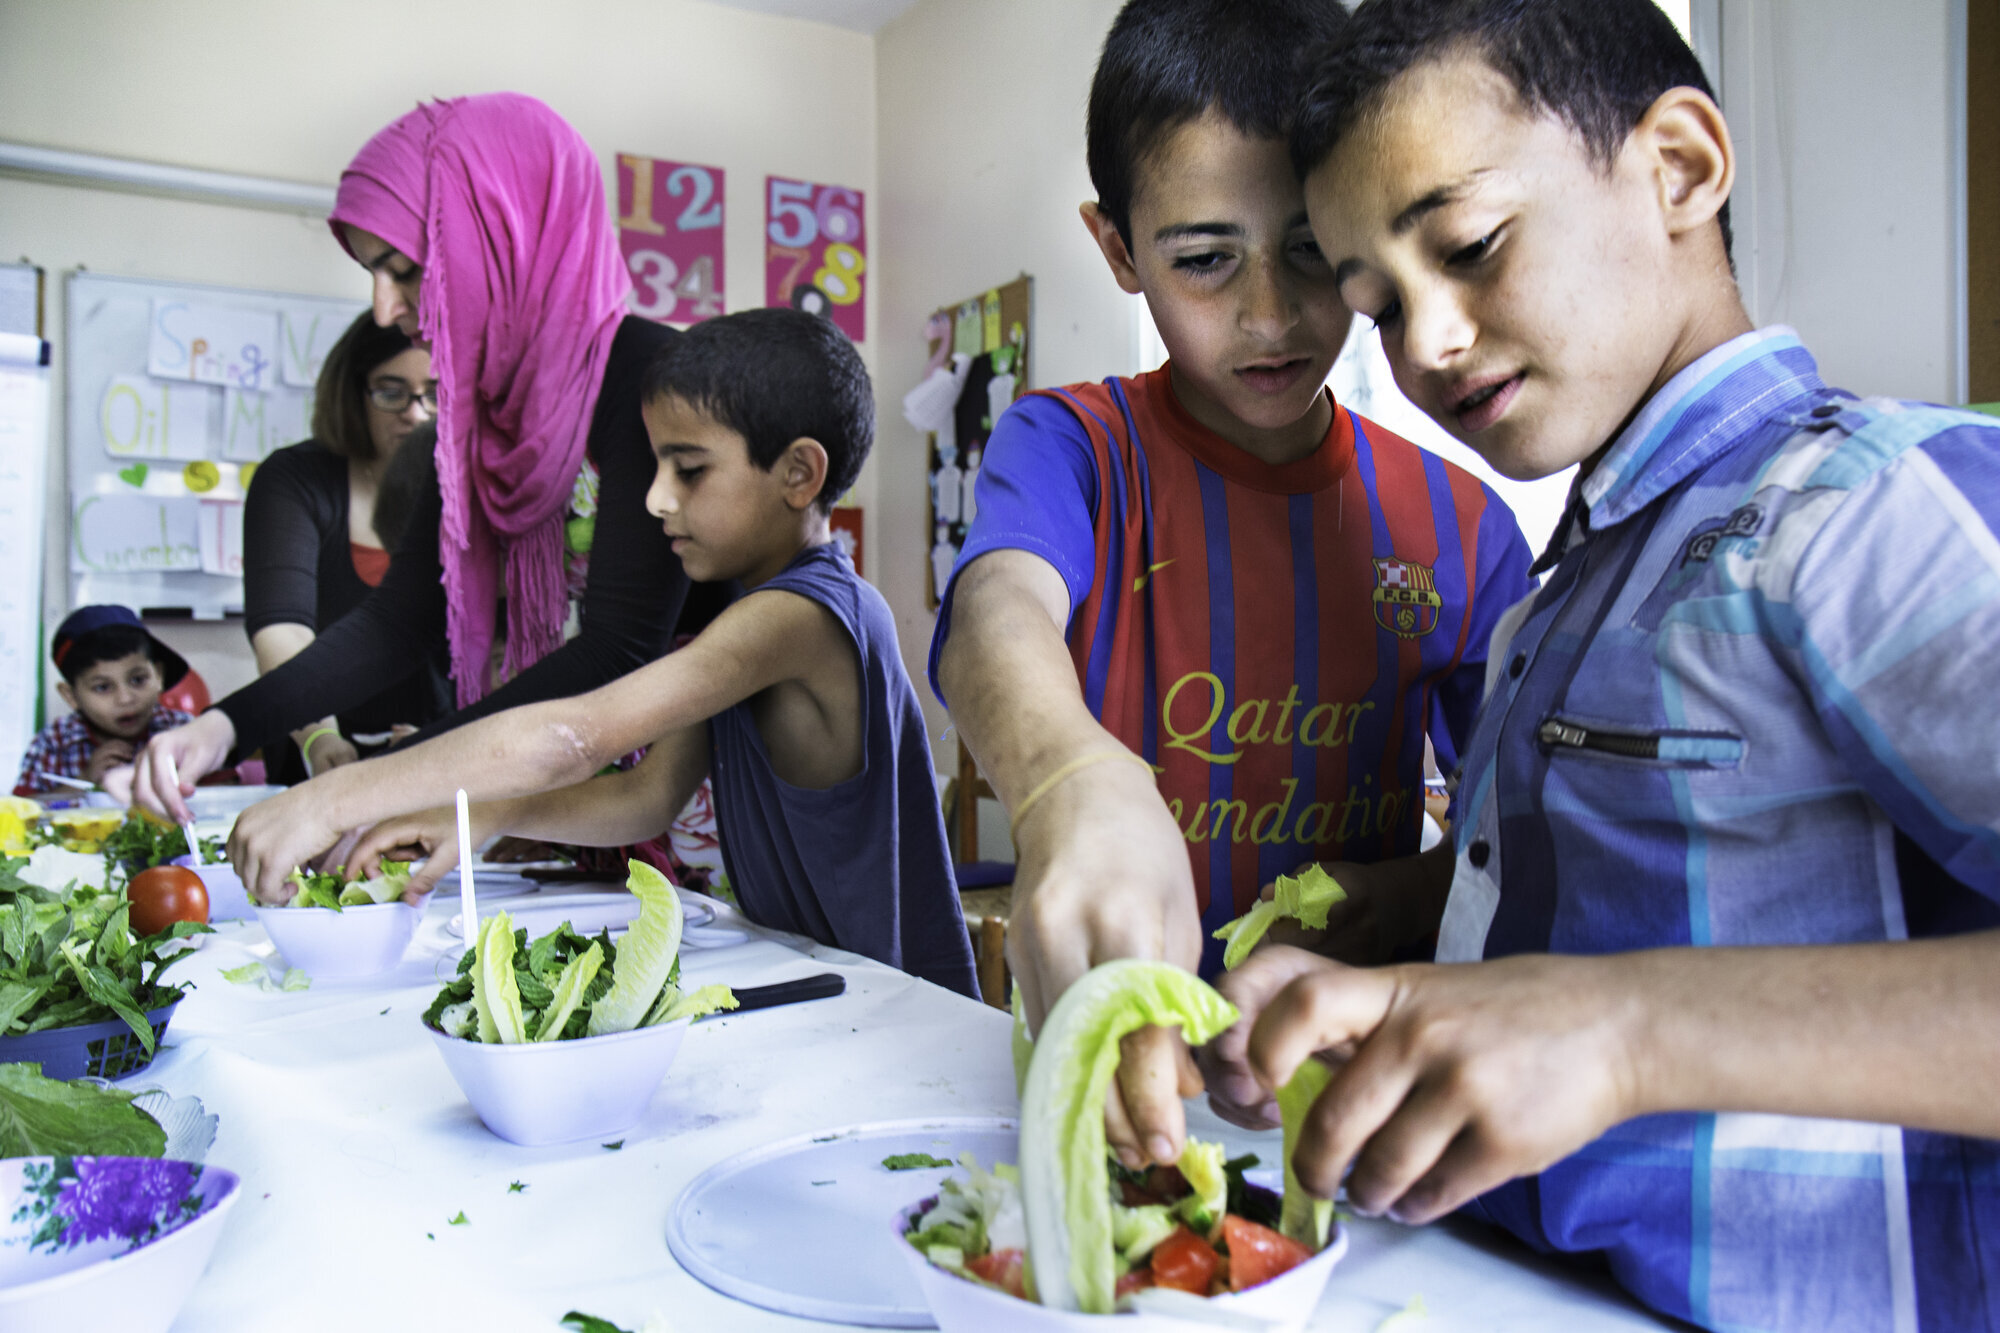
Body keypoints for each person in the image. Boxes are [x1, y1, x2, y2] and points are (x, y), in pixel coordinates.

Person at [1204, 3, 2000, 1330]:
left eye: (1470, 246)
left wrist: (1623, 1033)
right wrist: (1400, 965)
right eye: (1379, 307)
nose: (1427, 345)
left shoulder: (1866, 505)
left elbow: (1596, 1012)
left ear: (1678, 168)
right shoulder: (1559, 597)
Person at [928, 0, 1533, 1168]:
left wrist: (1398, 899)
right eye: (1204, 260)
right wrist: (1064, 778)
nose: (1268, 314)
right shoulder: (1074, 448)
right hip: (1106, 1064)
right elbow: (993, 615)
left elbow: (1510, 843)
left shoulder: (1460, 526)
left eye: (1310, 249)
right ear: (1117, 250)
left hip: (1344, 1098)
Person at [229, 309, 980, 999]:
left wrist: (334, 797)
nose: (655, 499)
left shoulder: (799, 616)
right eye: (654, 468)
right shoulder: (741, 618)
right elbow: (647, 796)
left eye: (688, 470)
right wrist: (486, 816)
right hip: (824, 982)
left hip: (895, 1004)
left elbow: (576, 736)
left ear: (798, 473)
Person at [130, 92, 730, 822]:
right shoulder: (481, 414)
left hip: (672, 800)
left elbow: (617, 651)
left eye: (403, 269)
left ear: (501, 236)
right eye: (373, 275)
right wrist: (222, 727)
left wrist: (378, 783)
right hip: (551, 788)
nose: (384, 309)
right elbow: (399, 620)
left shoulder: (649, 378)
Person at [243, 311, 448, 784]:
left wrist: (455, 737)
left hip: (445, 751)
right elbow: (282, 629)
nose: (416, 413)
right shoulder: (296, 479)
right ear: (353, 394)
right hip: (321, 752)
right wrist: (319, 736)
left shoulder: (475, 483)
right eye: (391, 393)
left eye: (437, 395)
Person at [15, 606, 194, 796]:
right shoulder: (55, 741)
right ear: (71, 696)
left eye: (137, 680)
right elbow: (23, 807)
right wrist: (85, 780)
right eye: (102, 687)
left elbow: (215, 792)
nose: (125, 699)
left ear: (158, 675)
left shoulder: (183, 730)